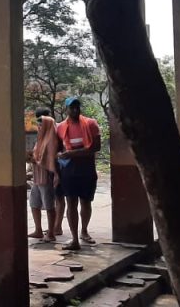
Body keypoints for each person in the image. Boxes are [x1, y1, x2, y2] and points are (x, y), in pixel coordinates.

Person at [56, 97, 100, 250]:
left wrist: (71, 153)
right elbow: (58, 148)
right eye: (72, 107)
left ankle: (84, 231)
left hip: (87, 169)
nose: (75, 110)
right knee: (71, 202)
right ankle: (74, 239)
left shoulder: (90, 124)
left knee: (86, 202)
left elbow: (95, 147)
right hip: (69, 171)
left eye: (77, 107)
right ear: (66, 109)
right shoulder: (60, 127)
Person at [28, 108, 60, 242]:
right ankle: (38, 230)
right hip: (37, 176)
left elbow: (49, 157)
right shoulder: (41, 137)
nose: (39, 124)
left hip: (46, 176)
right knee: (34, 203)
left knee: (49, 205)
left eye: (42, 122)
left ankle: (51, 233)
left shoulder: (51, 138)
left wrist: (34, 159)